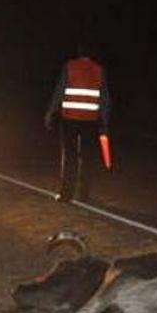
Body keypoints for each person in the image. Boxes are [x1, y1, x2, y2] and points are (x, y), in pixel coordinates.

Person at [44, 50, 111, 203]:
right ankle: (84, 194)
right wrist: (105, 122)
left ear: (79, 52)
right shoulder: (99, 69)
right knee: (87, 158)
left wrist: (50, 112)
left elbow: (59, 91)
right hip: (90, 120)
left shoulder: (69, 66)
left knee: (70, 157)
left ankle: (66, 194)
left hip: (70, 119)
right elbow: (105, 98)